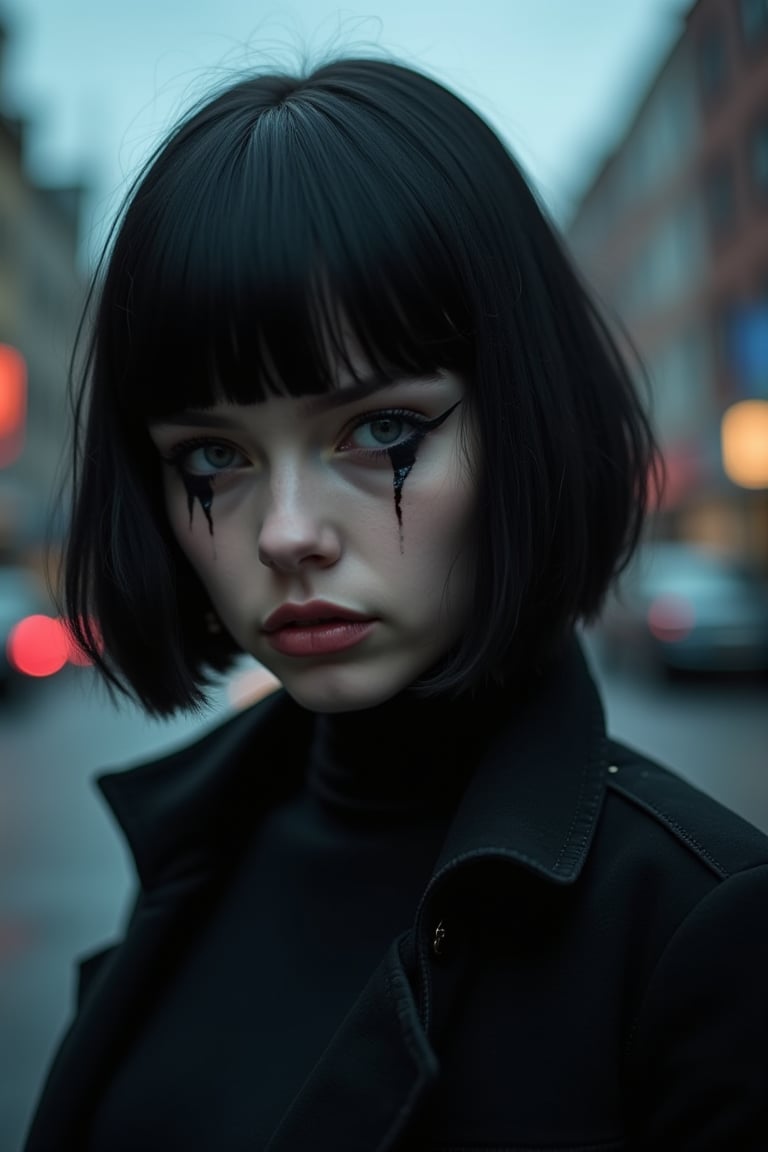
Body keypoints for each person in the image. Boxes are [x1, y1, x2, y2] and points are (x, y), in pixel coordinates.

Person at [24, 56, 768, 1152]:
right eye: (213, 454)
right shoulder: (197, 853)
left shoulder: (702, 930)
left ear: (522, 416)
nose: (286, 532)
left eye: (380, 432)